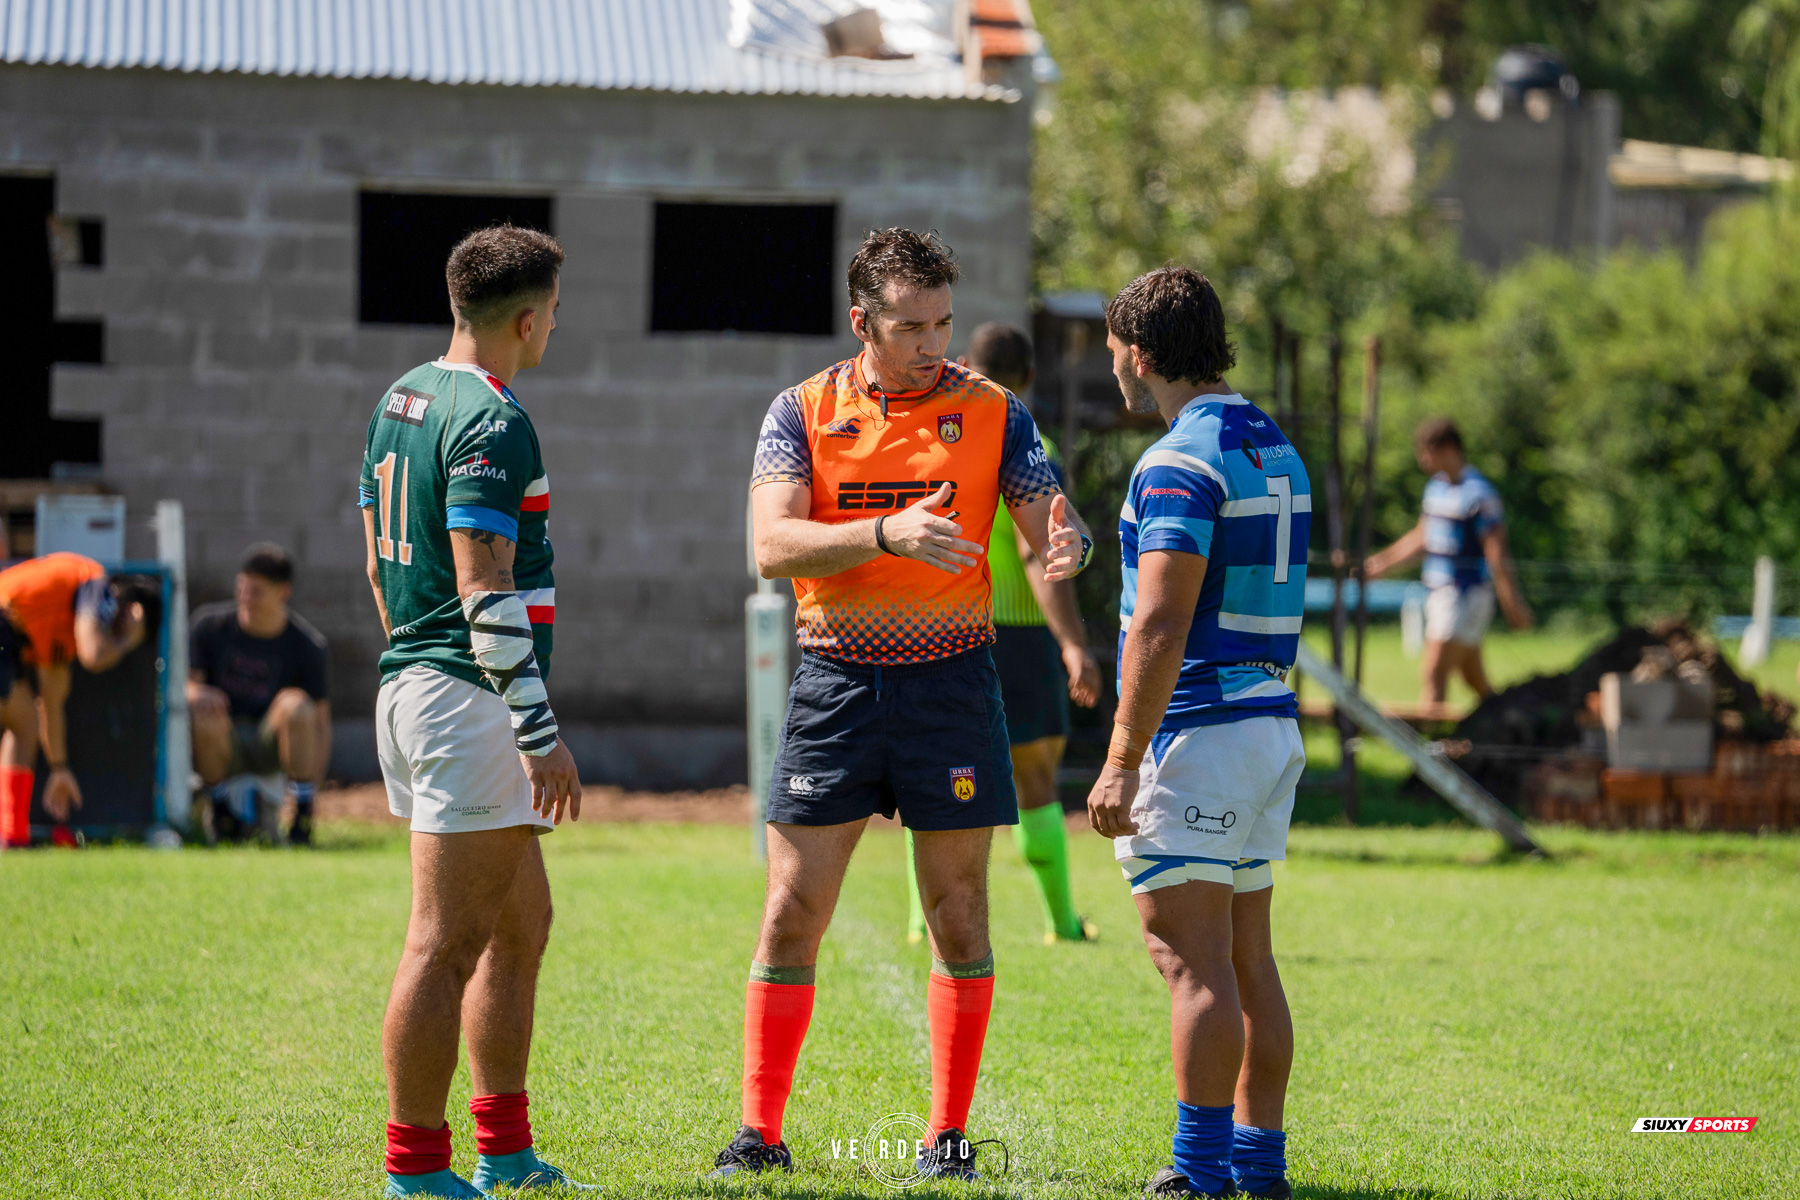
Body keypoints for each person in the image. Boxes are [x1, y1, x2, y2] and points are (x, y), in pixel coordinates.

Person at [716, 228, 1093, 1181]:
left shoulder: (994, 410)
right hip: (835, 686)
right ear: (862, 323)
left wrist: (1070, 540)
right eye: (910, 327)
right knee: (792, 910)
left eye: (942, 324)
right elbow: (772, 545)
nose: (931, 345)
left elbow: (1049, 513)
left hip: (953, 686)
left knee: (959, 914)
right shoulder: (801, 410)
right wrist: (885, 532)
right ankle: (758, 1135)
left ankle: (947, 1139)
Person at [360, 225, 591, 1198]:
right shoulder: (494, 419)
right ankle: (416, 1172)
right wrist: (537, 732)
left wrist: (417, 669)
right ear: (527, 320)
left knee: (520, 924)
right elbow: (485, 586)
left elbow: (378, 561)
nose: (554, 330)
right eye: (555, 314)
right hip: (469, 698)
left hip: (423, 688)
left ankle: (507, 1155)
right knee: (445, 941)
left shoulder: (402, 396)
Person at [1085, 266, 1310, 1199]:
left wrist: (1119, 760)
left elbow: (1162, 621)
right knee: (1248, 958)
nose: (1112, 368)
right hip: (1267, 723)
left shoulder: (1179, 458)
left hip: (1202, 731)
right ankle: (1259, 1166)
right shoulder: (1271, 442)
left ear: (1140, 353)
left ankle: (1200, 1172)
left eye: (1113, 351)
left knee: (1192, 962)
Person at [903, 322, 1102, 945]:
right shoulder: (1030, 445)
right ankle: (1062, 922)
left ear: (964, 365)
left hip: (943, 630)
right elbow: (1039, 551)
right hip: (1017, 634)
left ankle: (920, 925)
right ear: (1032, 377)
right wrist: (1072, 642)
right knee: (1035, 780)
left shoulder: (937, 442)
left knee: (935, 777)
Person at [1362, 417, 1533, 708]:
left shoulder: (1480, 494)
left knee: (1434, 672)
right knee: (1473, 678)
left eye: (1427, 451)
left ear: (1449, 448)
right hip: (1439, 594)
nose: (1422, 459)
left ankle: (1425, 738)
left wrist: (1511, 603)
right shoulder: (1436, 488)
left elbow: (1496, 553)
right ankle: (1507, 721)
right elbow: (1423, 538)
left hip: (1464, 595)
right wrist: (1380, 564)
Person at [0, 552, 160, 848]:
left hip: (7, 634)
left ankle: (12, 835)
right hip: (3, 625)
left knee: (24, 722)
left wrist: (59, 768)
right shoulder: (95, 582)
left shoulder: (58, 620)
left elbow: (51, 704)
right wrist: (129, 639)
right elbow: (93, 654)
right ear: (134, 610)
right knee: (23, 721)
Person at [188, 542, 331, 845]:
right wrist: (199, 693)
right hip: (222, 738)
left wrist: (314, 788)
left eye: (256, 592)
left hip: (271, 745)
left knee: (296, 704)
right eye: (242, 588)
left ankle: (301, 816)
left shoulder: (307, 645)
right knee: (202, 707)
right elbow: (185, 688)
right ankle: (220, 813)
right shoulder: (209, 626)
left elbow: (321, 723)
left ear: (282, 592)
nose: (245, 599)